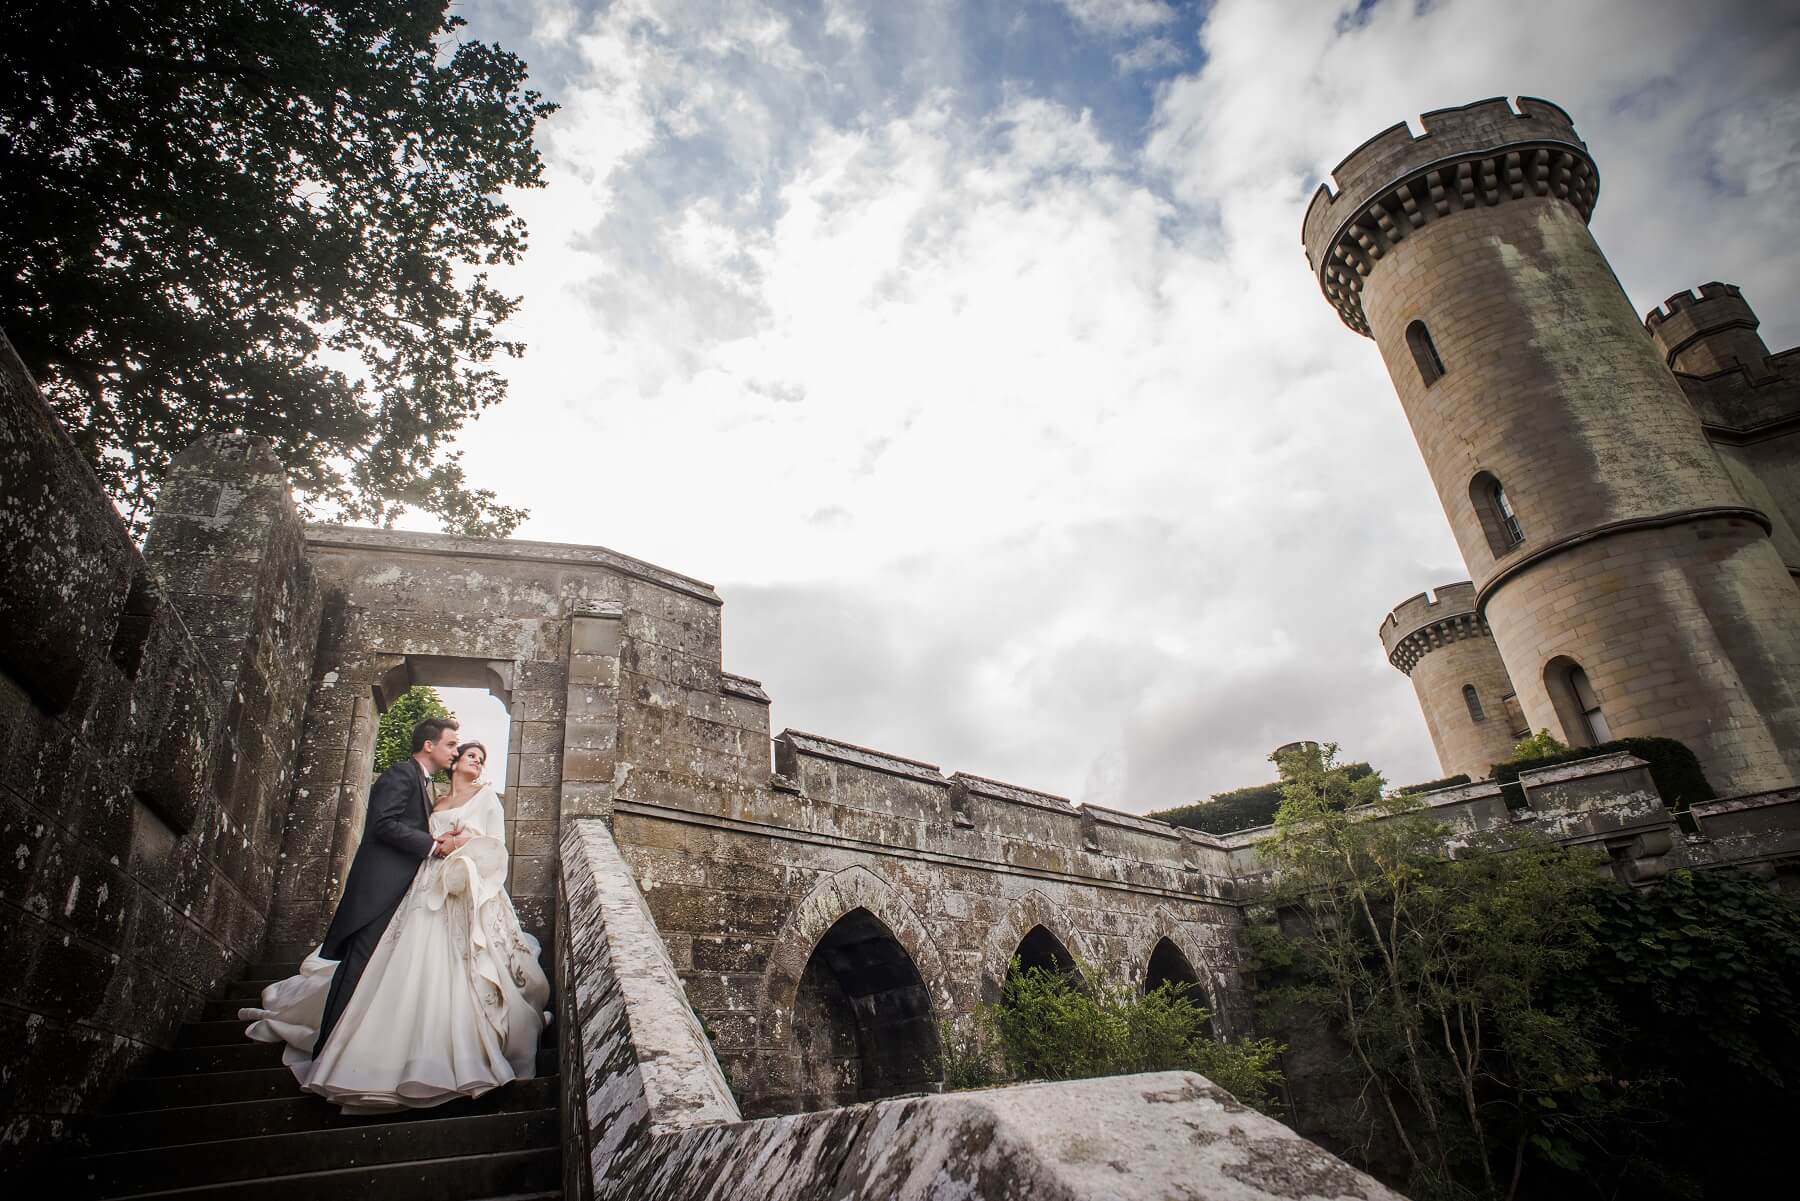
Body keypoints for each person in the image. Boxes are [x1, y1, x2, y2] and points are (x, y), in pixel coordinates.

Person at [241, 728, 551, 1113]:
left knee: (450, 966)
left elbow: (494, 845)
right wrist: (439, 843)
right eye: (463, 751)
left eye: (478, 758)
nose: (473, 759)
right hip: (420, 886)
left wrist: (461, 844)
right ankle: (363, 1046)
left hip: (459, 887)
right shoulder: (428, 795)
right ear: (441, 752)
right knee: (398, 963)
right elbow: (397, 829)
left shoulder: (483, 797)